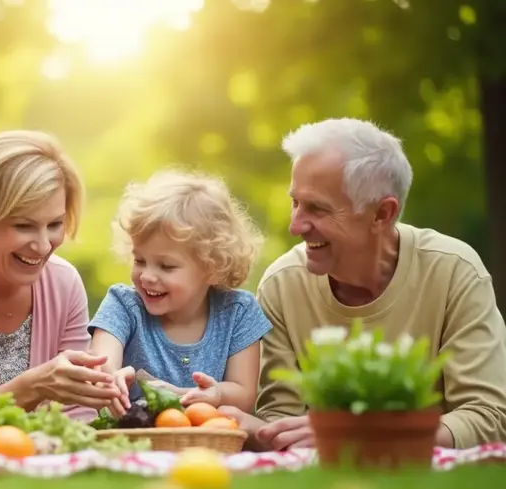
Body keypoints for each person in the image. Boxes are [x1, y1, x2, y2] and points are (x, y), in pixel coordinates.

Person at [220, 117, 506, 451]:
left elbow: (489, 417)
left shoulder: (454, 271)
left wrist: (367, 437)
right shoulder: (282, 286)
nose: (295, 225)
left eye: (316, 208)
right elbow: (280, 421)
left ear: (381, 214)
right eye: (295, 202)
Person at [0, 130, 127, 422]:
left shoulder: (64, 284)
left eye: (54, 224)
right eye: (24, 226)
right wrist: (30, 389)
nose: (42, 246)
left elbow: (78, 415)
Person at [88, 169, 271, 416]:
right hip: (134, 442)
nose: (147, 276)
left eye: (166, 266)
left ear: (212, 267)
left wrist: (215, 394)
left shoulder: (238, 312)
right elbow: (102, 362)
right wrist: (110, 378)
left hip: (209, 442)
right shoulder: (123, 305)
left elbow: (244, 395)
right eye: (140, 260)